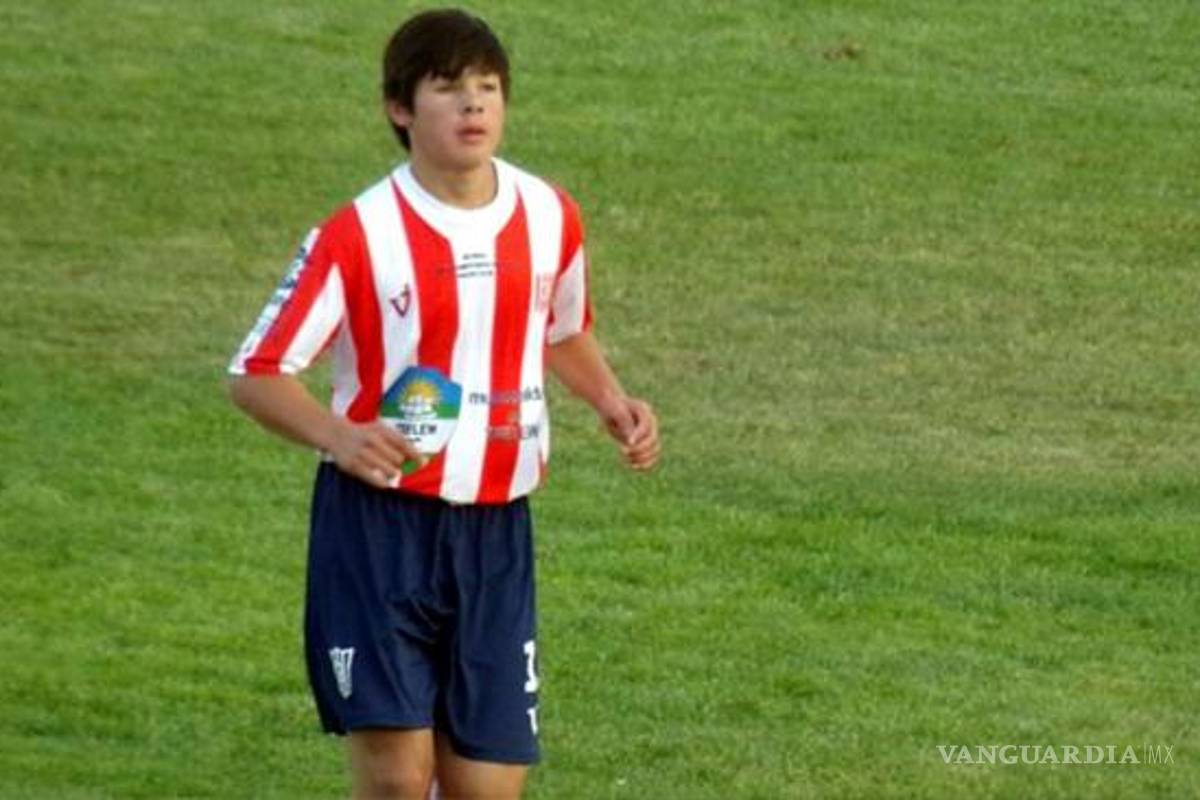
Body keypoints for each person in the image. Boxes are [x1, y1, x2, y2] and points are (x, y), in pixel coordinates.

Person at [226, 8, 660, 800]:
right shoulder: (358, 234)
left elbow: (560, 327)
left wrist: (610, 398)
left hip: (496, 531)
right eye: (449, 88)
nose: (473, 105)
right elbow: (255, 371)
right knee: (397, 778)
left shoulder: (549, 214)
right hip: (378, 530)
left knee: (486, 786)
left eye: (488, 88)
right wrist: (339, 435)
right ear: (400, 108)